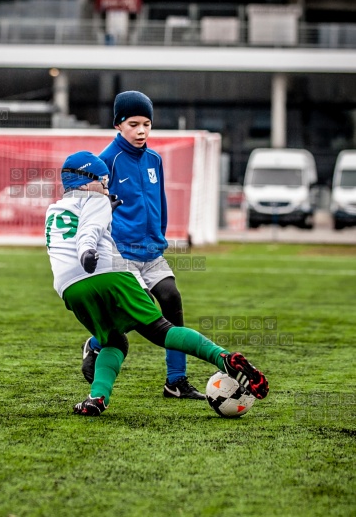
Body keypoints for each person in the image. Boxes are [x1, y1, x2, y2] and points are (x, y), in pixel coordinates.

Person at [45, 150, 269, 416]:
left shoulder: (53, 210)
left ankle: (97, 398)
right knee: (163, 330)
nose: (106, 186)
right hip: (108, 273)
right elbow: (88, 231)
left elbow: (75, 228)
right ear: (85, 182)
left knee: (116, 342)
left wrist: (105, 211)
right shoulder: (97, 200)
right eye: (103, 181)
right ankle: (224, 358)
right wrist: (87, 251)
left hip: (71, 289)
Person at [80, 90, 205, 400]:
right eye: (133, 124)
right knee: (144, 310)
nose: (141, 131)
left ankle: (176, 381)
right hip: (121, 252)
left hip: (151, 251)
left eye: (147, 124)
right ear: (118, 125)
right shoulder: (106, 161)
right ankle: (97, 343)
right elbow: (94, 209)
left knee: (171, 298)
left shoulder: (154, 159)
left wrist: (158, 236)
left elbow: (158, 202)